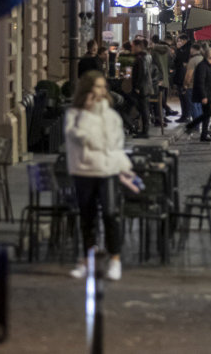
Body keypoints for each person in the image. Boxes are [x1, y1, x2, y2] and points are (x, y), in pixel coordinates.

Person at [65, 71, 134, 281]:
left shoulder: (111, 116)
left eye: (103, 87)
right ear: (86, 89)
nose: (101, 91)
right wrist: (87, 113)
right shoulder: (75, 114)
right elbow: (76, 137)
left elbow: (114, 143)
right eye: (97, 87)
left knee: (111, 214)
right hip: (83, 170)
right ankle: (87, 260)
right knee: (87, 217)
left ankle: (115, 259)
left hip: (107, 170)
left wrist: (97, 143)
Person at [186, 47, 211, 142]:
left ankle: (203, 133)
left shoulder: (209, 66)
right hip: (205, 95)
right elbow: (200, 82)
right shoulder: (202, 66)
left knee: (207, 114)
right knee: (207, 114)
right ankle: (199, 131)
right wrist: (203, 96)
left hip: (209, 94)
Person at [129, 39, 154, 138]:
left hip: (142, 87)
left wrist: (137, 87)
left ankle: (144, 131)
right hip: (147, 86)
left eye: (133, 46)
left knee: (143, 108)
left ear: (138, 46)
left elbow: (142, 72)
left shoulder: (141, 57)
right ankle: (143, 129)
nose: (132, 48)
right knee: (144, 109)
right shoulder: (147, 56)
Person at [172, 34, 192, 122]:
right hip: (182, 75)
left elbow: (179, 60)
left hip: (183, 76)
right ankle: (185, 115)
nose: (178, 42)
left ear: (184, 40)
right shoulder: (186, 49)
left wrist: (178, 50)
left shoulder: (185, 49)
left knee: (184, 97)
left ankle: (186, 115)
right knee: (184, 97)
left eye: (179, 40)